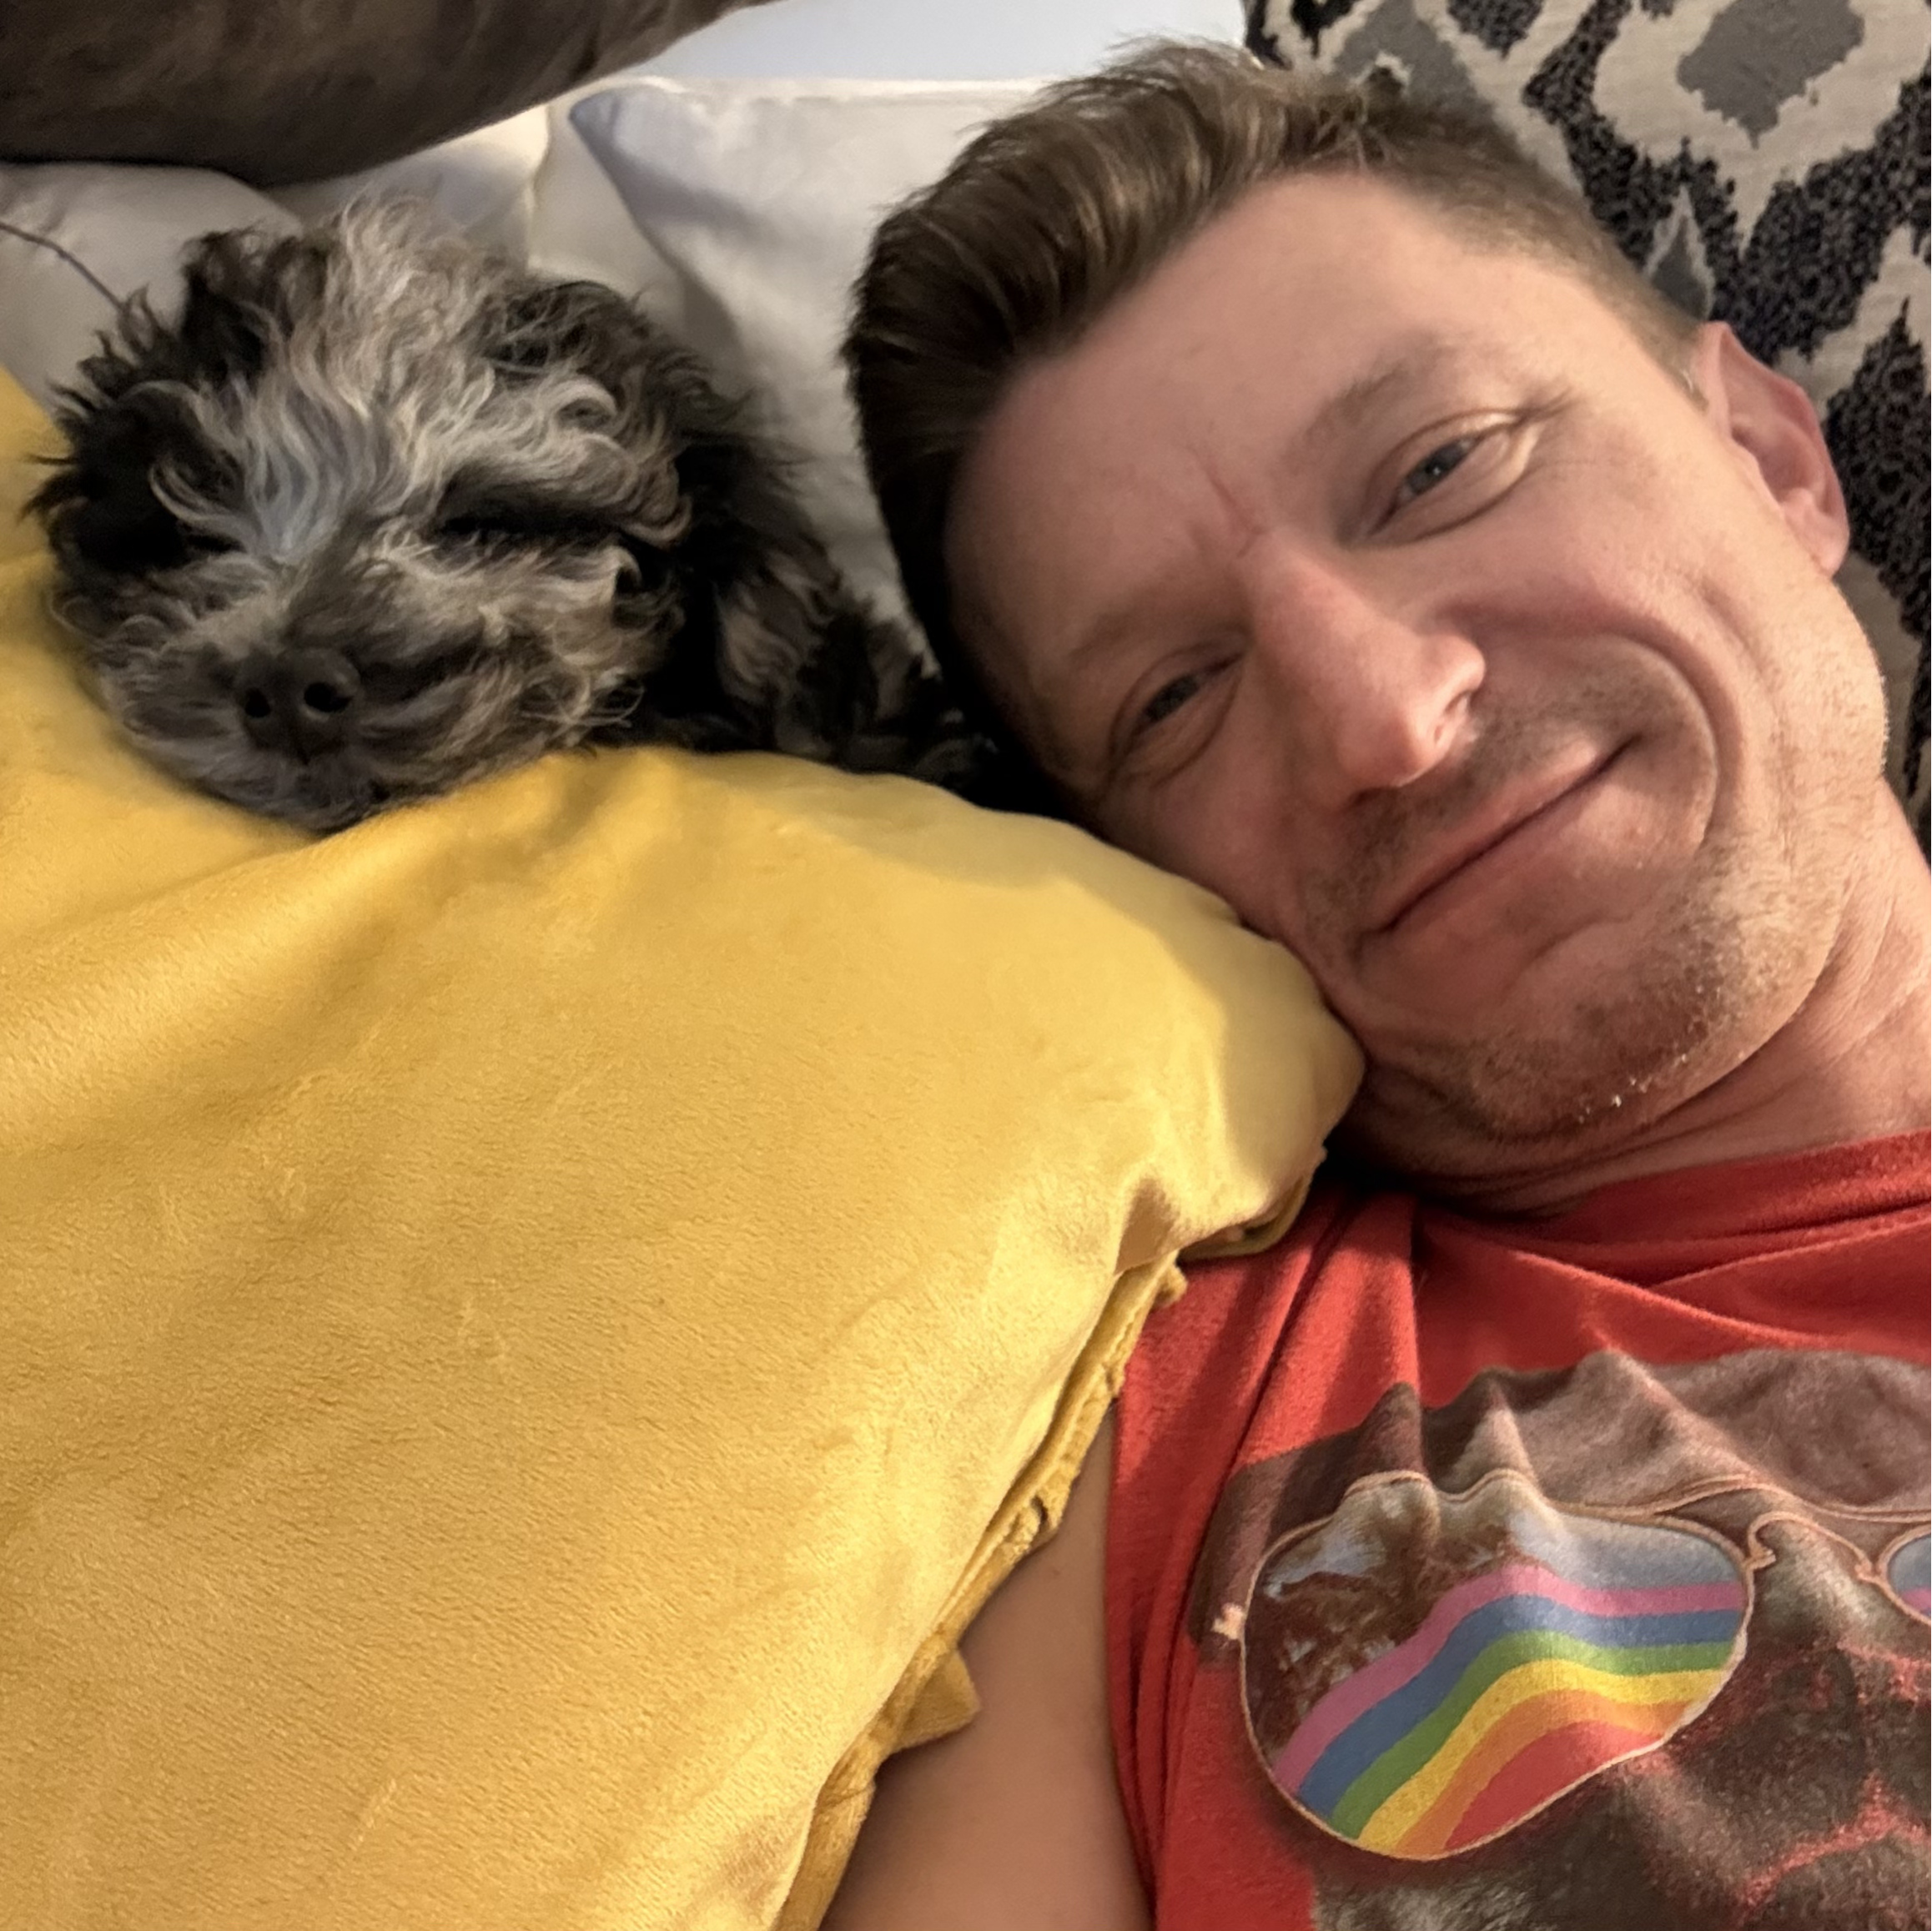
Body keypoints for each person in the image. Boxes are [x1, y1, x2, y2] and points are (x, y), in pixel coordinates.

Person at [825, 44, 1931, 1931]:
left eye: (1440, 468)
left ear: (1770, 454)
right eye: (1176, 697)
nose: (1385, 720)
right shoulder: (1122, 1437)